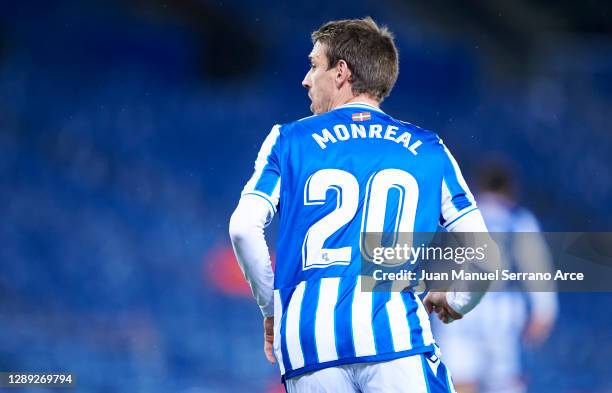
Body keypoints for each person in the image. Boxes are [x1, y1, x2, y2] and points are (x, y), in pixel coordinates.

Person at [229, 17, 498, 392]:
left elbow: (243, 229)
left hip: (308, 345)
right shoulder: (427, 148)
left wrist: (272, 310)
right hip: (393, 339)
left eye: (314, 65)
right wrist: (457, 300)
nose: (306, 79)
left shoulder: (287, 140)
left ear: (341, 72)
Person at [432, 162, 558, 393]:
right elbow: (537, 268)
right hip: (502, 312)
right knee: (504, 382)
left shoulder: (457, 215)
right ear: (511, 189)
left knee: (459, 382)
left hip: (459, 310)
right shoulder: (518, 219)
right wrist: (545, 310)